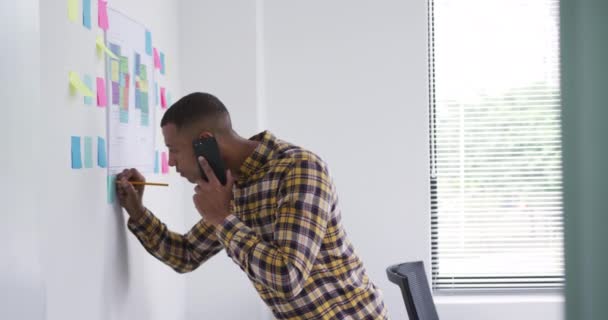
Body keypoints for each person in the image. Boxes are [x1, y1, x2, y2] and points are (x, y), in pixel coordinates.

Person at [116, 92, 390, 319]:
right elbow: (185, 254)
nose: (171, 162)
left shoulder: (299, 168)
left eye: (174, 150)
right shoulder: (232, 188)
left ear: (205, 142)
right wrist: (137, 212)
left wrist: (224, 219)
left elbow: (288, 278)